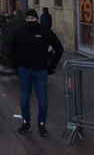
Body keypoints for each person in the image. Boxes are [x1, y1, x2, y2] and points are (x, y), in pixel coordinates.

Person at [12, 9, 64, 138]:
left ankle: (42, 123)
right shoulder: (20, 32)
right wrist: (16, 65)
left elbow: (59, 48)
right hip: (24, 70)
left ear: (37, 19)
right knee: (24, 98)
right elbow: (12, 49)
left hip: (40, 70)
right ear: (25, 19)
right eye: (28, 18)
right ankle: (26, 122)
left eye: (32, 19)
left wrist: (51, 66)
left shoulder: (45, 31)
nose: (30, 21)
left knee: (43, 100)